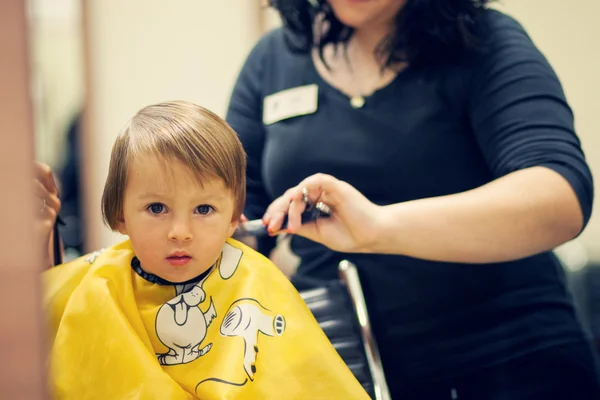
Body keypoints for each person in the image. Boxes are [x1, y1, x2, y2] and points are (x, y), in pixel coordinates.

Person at [225, 0, 600, 398]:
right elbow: (239, 215)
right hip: (345, 371)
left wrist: (380, 227)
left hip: (510, 363)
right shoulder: (271, 59)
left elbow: (558, 198)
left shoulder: (483, 41)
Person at [40, 101, 369, 399]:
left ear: (233, 218)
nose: (180, 233)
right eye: (156, 208)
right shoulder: (98, 285)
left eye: (203, 210)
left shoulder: (255, 283)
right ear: (120, 215)